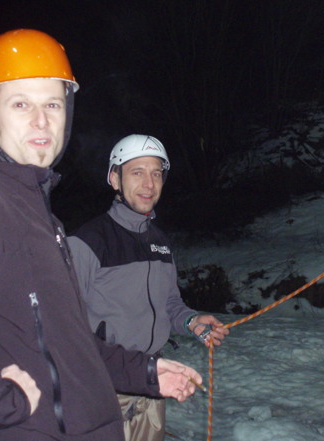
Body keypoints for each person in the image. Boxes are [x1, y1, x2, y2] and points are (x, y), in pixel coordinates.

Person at [0, 29, 202, 441]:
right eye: (20, 104)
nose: (41, 121)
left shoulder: (42, 218)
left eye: (53, 104)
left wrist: (143, 372)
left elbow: (69, 341)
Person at [68, 134, 230, 441]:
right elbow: (62, 328)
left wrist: (190, 321)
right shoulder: (86, 243)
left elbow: (168, 302)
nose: (149, 183)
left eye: (156, 173)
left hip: (152, 382)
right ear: (114, 179)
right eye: (137, 172)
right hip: (102, 390)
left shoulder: (160, 242)